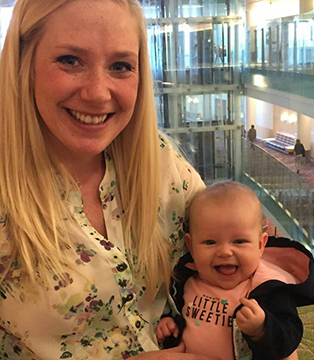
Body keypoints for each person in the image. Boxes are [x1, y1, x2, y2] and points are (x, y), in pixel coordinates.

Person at [0, 1, 221, 359]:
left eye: (120, 66)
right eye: (70, 60)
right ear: (25, 64)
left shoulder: (159, 159)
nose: (98, 93)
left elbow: (232, 250)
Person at [156, 182, 314, 360]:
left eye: (239, 241)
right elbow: (181, 318)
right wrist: (171, 326)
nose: (225, 252)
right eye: (210, 242)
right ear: (191, 247)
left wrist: (262, 328)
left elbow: (289, 337)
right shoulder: (186, 280)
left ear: (260, 245)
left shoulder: (268, 287)